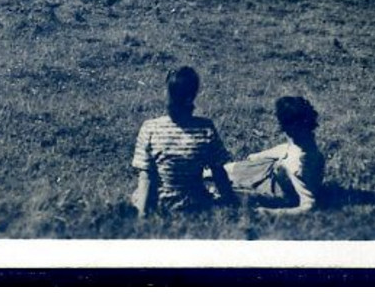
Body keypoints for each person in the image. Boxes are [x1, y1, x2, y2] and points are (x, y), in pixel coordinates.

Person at [130, 66, 236, 217]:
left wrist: (142, 213)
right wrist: (231, 202)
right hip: (195, 205)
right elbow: (218, 171)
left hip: (160, 204)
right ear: (192, 97)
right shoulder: (205, 128)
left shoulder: (151, 128)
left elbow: (146, 175)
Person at [224, 95, 325, 213]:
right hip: (267, 169)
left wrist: (269, 212)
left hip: (273, 190)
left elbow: (309, 205)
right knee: (227, 169)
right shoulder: (305, 141)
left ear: (287, 128)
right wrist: (259, 156)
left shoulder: (296, 166)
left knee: (226, 190)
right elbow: (287, 148)